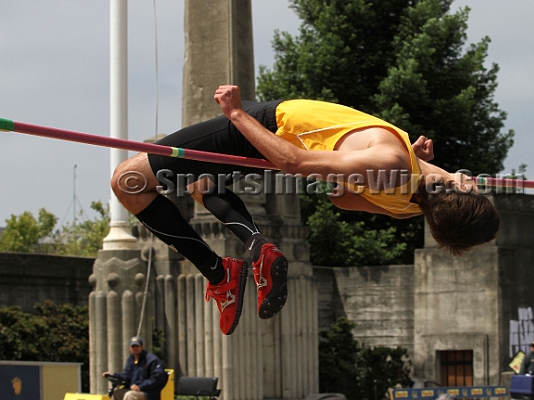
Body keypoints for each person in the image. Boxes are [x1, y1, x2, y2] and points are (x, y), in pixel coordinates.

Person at [111, 85, 500, 335]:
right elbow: (340, 198)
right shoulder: (408, 206)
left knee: (126, 181)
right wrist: (381, 165)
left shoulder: (396, 164)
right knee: (200, 184)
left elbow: (294, 163)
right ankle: (233, 263)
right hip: (272, 138)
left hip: (269, 127)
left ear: (463, 188)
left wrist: (236, 115)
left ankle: (221, 272)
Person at [102, 336, 167, 400]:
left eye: (137, 346)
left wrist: (140, 387)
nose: (135, 348)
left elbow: (156, 379)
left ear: (142, 347)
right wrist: (113, 375)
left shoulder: (152, 360)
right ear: (129, 348)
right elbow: (126, 376)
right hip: (134, 389)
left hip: (149, 392)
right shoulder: (131, 360)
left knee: (130, 395)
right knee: (116, 392)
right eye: (133, 346)